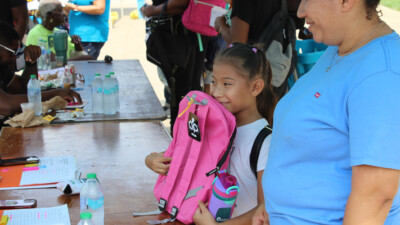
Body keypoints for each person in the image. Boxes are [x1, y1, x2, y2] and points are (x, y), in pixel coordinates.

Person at [254, 0, 400, 224]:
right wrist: (273, 206)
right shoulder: (340, 49)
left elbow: (375, 196)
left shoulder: (381, 73)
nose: (301, 11)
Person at [145, 43, 277, 224]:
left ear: (255, 88)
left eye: (227, 84)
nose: (216, 92)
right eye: (213, 81)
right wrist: (152, 160)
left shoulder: (265, 142)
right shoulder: (213, 127)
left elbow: (266, 209)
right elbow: (185, 157)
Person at [0, 21, 82, 119]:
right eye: (12, 53)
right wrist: (54, 94)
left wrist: (31, 63)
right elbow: (7, 106)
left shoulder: (3, 69)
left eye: (17, 52)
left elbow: (24, 89)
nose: (15, 58)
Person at [26, 0, 92, 61]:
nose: (64, 13)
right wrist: (80, 59)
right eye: (60, 10)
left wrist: (77, 45)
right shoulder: (36, 34)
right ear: (49, 15)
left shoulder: (59, 32)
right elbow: (49, 61)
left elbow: (74, 53)